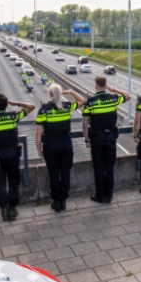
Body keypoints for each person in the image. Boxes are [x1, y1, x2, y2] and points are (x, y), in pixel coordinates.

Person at [0, 94, 35, 222]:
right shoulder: (12, 116)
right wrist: (15, 103)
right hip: (13, 155)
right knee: (13, 183)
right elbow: (31, 106)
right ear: (6, 105)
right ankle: (12, 209)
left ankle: (4, 210)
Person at [36, 84, 85, 213]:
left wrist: (38, 148)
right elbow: (82, 101)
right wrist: (70, 91)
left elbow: (38, 133)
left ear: (50, 95)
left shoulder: (43, 110)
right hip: (66, 144)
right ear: (60, 95)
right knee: (65, 173)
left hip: (50, 146)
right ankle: (63, 200)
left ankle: (56, 202)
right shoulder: (67, 107)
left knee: (53, 174)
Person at [81, 76, 131, 204]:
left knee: (98, 167)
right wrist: (113, 89)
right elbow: (127, 95)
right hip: (111, 138)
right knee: (109, 167)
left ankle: (99, 195)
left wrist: (87, 139)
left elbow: (85, 122)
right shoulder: (113, 99)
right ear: (106, 85)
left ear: (96, 86)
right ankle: (109, 195)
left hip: (97, 138)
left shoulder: (90, 102)